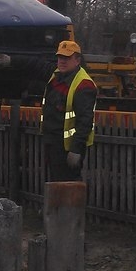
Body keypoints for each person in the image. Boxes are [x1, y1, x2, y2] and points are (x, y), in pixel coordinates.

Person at [40, 40, 98, 181]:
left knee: (68, 184)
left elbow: (85, 121)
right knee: (56, 183)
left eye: (67, 58)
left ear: (77, 60)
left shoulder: (83, 84)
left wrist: (76, 150)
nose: (62, 61)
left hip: (67, 148)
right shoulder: (56, 76)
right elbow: (33, 64)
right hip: (53, 143)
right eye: (60, 57)